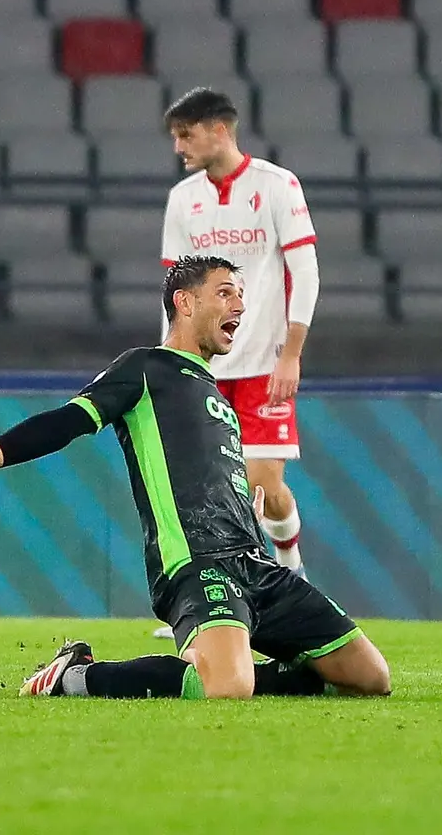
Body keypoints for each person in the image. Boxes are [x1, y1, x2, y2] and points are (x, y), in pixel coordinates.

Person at [0, 256, 391, 700]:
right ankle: (76, 675)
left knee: (370, 678)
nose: (240, 305)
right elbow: (65, 422)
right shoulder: (146, 368)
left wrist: (244, 506)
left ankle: (224, 664)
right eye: (225, 293)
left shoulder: (218, 398)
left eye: (241, 295)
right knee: (228, 688)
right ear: (184, 302)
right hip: (198, 564)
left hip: (255, 563)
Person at [151, 89, 319, 638]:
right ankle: (211, 602)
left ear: (219, 129)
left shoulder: (277, 186)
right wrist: (169, 363)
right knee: (206, 490)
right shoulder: (184, 200)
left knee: (264, 485)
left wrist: (292, 352)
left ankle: (290, 572)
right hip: (203, 367)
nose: (179, 146)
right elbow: (174, 289)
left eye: (186, 134)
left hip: (264, 363)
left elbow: (305, 272)